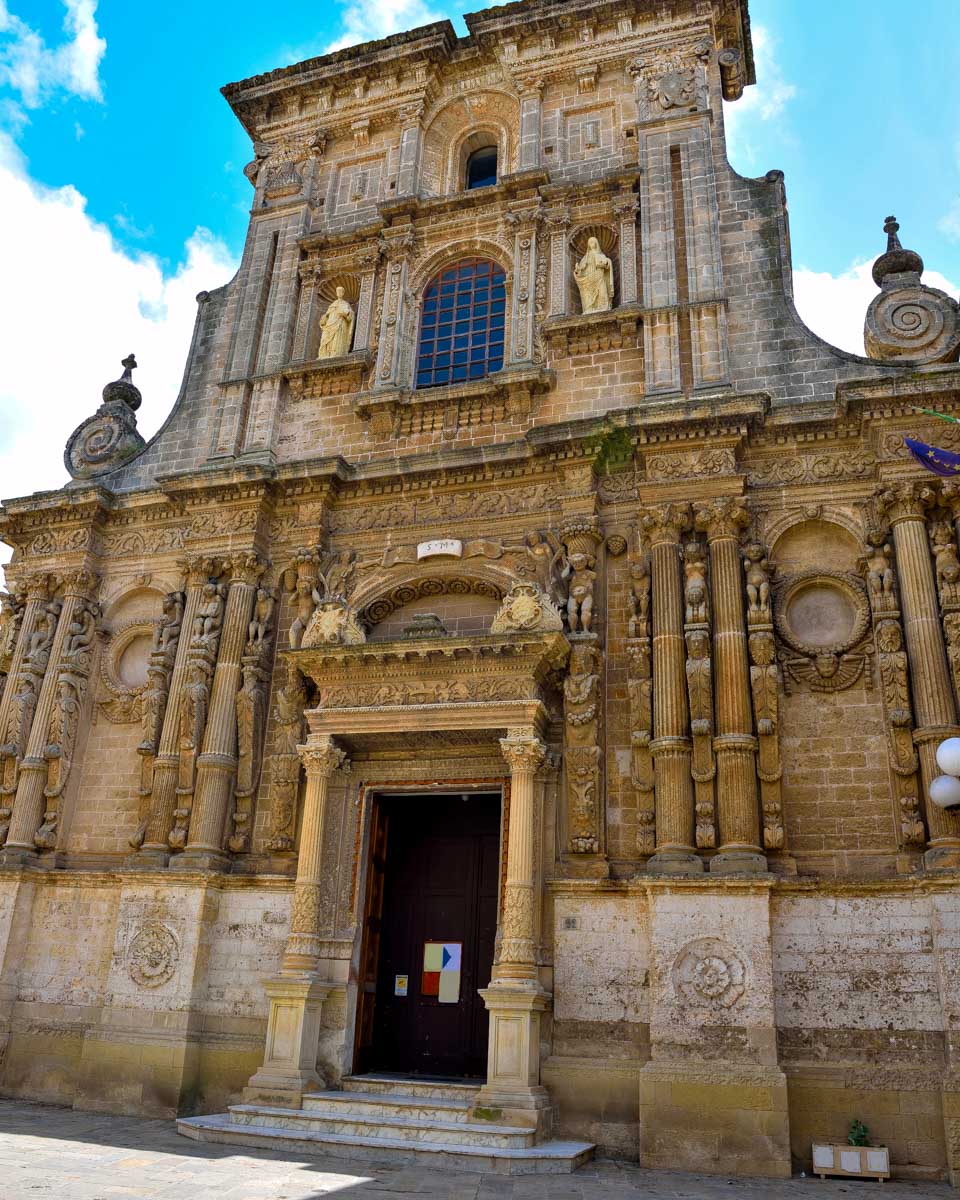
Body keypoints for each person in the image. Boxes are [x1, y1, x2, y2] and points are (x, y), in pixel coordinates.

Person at [573, 236, 614, 314]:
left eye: (594, 242)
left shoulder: (601, 255)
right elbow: (581, 269)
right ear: (588, 245)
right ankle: (590, 308)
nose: (592, 244)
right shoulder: (585, 257)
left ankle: (603, 307)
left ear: (596, 243)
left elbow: (606, 265)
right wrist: (577, 270)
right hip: (589, 278)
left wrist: (607, 262)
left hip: (599, 275)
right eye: (590, 242)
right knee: (588, 294)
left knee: (602, 291)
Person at [317, 286, 355, 358]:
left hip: (340, 324)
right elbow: (327, 315)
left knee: (337, 340)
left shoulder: (345, 304)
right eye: (338, 291)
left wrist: (344, 314)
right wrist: (324, 318)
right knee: (326, 339)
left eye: (341, 291)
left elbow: (350, 316)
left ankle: (336, 353)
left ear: (343, 293)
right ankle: (325, 354)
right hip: (330, 324)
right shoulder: (332, 304)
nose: (339, 293)